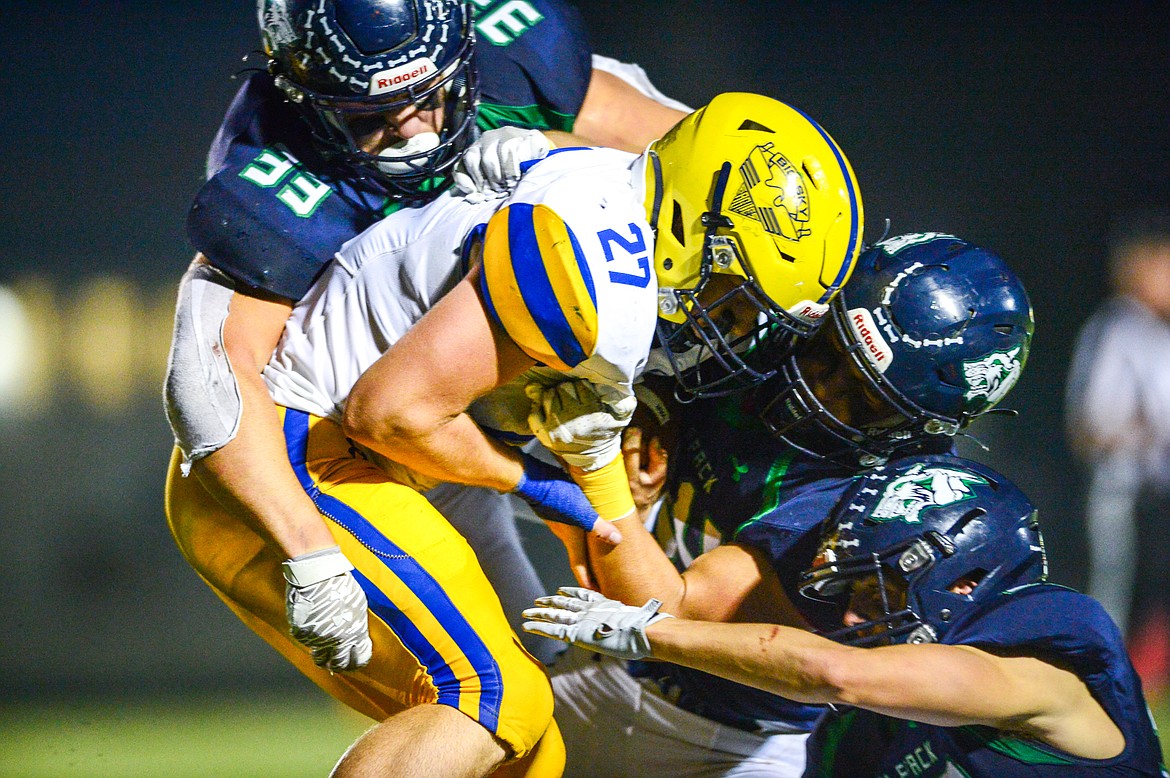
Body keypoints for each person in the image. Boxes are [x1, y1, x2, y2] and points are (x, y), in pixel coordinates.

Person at [167, 90, 864, 777]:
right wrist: (537, 481)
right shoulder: (596, 282)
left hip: (377, 463)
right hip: (304, 451)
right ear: (691, 224)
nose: (734, 327)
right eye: (734, 295)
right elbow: (389, 414)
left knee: (534, 754)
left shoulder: (610, 182)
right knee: (493, 696)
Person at [163, 0, 694, 673]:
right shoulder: (272, 179)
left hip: (494, 394)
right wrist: (308, 553)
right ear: (305, 100)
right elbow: (212, 376)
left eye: (429, 95)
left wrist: (555, 155)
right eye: (369, 115)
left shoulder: (517, 63)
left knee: (599, 655)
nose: (413, 129)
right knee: (507, 688)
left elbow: (697, 177)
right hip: (368, 434)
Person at [533, 233, 1036, 776]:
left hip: (722, 741)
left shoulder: (889, 501)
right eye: (829, 350)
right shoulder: (770, 329)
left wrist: (599, 460)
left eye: (863, 396)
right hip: (601, 656)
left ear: (923, 428)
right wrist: (650, 408)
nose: (817, 388)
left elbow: (663, 613)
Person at [523, 455, 1169, 776]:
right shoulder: (878, 729)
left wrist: (647, 633)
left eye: (879, 593)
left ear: (965, 583)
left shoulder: (1035, 673)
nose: (856, 619)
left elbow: (832, 673)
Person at [1066, 208, 1170, 704]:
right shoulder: (1116, 328)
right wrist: (1145, 432)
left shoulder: (1158, 333)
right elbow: (1089, 425)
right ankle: (1102, 687)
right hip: (1122, 492)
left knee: (1151, 594)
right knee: (1114, 594)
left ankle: (1140, 682)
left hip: (1157, 493)